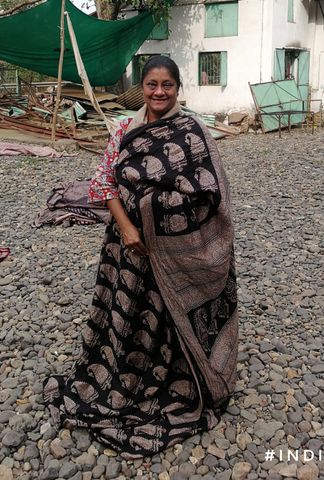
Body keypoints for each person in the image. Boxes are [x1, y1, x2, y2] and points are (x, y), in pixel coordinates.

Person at [43, 56, 238, 459]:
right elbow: (104, 183)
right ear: (143, 87)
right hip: (127, 244)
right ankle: (128, 372)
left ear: (178, 88)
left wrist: (151, 207)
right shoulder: (124, 129)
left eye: (167, 85)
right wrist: (130, 227)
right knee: (131, 310)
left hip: (171, 251)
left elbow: (209, 194)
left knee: (166, 314)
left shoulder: (193, 132)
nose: (159, 92)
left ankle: (176, 374)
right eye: (152, 84)